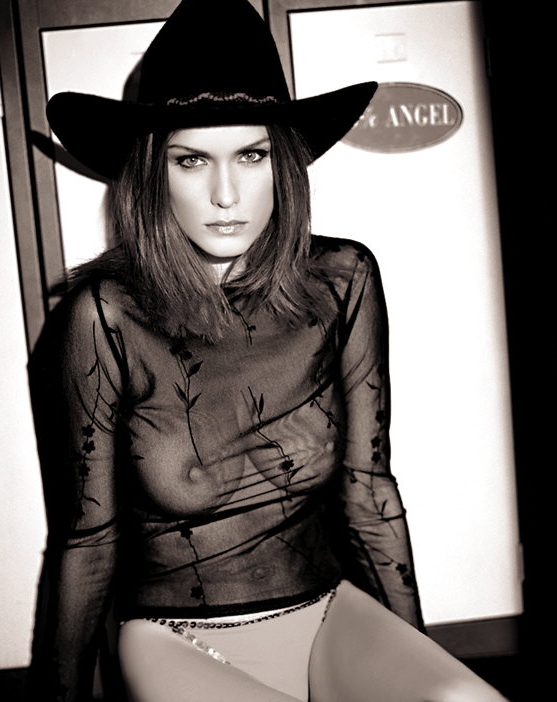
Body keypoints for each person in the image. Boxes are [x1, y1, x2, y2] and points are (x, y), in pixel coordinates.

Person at [26, 1, 509, 701]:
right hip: (174, 637)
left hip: (328, 612)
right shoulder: (105, 316)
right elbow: (87, 541)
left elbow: (369, 489)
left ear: (282, 163)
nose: (226, 195)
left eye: (251, 156)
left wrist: (414, 652)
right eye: (192, 160)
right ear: (154, 173)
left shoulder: (342, 279)